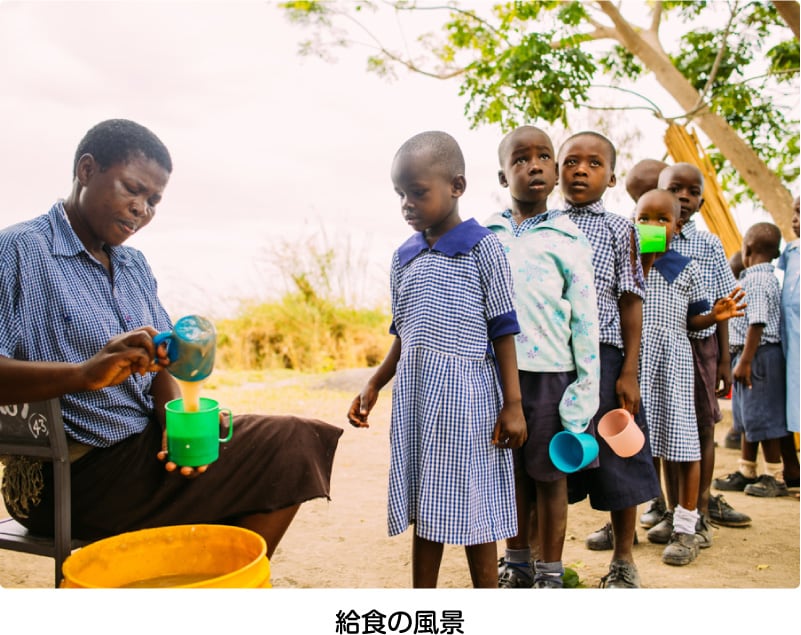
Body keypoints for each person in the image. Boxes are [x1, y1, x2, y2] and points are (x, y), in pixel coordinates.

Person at [0, 119, 343, 564]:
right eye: (132, 189)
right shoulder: (20, 251)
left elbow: (160, 363)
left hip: (140, 455)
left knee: (283, 451)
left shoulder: (132, 264)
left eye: (154, 199)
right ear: (86, 170)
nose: (142, 208)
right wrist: (84, 375)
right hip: (66, 476)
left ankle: (205, 593)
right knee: (290, 443)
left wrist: (175, 425)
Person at [347, 130, 526, 588]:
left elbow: (503, 330)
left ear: (457, 187)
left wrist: (513, 404)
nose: (407, 203)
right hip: (417, 397)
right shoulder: (403, 257)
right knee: (428, 500)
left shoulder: (483, 247)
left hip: (468, 398)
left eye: (418, 192)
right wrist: (375, 382)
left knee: (474, 500)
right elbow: (403, 333)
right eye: (400, 194)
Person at [486, 126, 600, 588]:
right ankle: (516, 562)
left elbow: (586, 321)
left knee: (550, 476)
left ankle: (549, 572)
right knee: (510, 474)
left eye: (543, 157)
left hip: (552, 375)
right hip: (497, 376)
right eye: (520, 159)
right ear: (502, 175)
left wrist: (584, 389)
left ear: (554, 172)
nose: (533, 165)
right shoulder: (486, 235)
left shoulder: (569, 239)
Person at [549, 131, 661, 588]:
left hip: (608, 357)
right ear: (557, 173)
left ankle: (622, 560)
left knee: (620, 457)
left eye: (594, 164)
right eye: (571, 162)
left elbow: (632, 298)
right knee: (550, 457)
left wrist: (629, 369)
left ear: (612, 177)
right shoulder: (544, 224)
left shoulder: (624, 230)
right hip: (555, 361)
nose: (580, 170)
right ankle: (541, 562)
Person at [635, 189, 746, 565]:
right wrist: (643, 263)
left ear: (678, 225)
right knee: (640, 445)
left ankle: (687, 526)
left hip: (675, 367)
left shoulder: (689, 267)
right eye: (643, 218)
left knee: (683, 445)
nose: (651, 226)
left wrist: (714, 317)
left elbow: (695, 325)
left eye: (661, 220)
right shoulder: (630, 265)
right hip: (637, 370)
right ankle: (653, 516)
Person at [713, 222, 791, 498]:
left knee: (763, 417)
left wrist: (745, 360)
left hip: (758, 356)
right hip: (749, 356)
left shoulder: (757, 280)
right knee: (748, 418)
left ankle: (774, 475)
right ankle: (747, 469)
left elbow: (757, 322)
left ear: (747, 249)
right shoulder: (759, 278)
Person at [776, 196, 800, 492]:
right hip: (789, 340)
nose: (795, 219)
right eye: (796, 212)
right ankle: (790, 466)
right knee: (786, 402)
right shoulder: (791, 250)